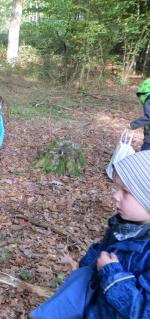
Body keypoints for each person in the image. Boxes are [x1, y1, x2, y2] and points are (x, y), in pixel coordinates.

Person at [34, 151, 150, 318]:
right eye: (116, 188)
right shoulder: (122, 226)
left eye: (126, 191)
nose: (115, 195)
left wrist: (112, 275)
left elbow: (144, 312)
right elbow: (102, 252)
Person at [130, 78, 150, 151]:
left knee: (145, 159)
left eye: (140, 97)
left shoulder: (148, 100)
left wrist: (133, 125)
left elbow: (149, 117)